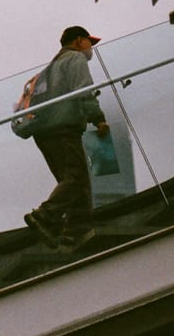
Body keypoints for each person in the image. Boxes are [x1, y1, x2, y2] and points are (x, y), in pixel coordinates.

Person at [24, 26, 110, 253]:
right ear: (79, 41)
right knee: (76, 177)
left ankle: (73, 232)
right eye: (90, 42)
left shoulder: (48, 70)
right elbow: (83, 90)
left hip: (43, 135)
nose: (91, 48)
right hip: (63, 130)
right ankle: (44, 216)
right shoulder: (75, 58)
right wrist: (98, 118)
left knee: (73, 182)